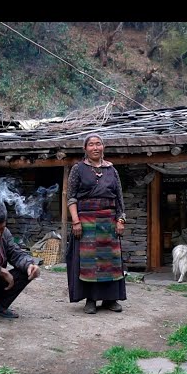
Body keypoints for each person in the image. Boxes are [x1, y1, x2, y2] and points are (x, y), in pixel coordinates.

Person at [66, 133, 127, 314]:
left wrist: (121, 220)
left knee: (110, 262)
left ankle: (110, 300)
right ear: (85, 149)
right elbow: (71, 197)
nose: (95, 147)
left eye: (98, 144)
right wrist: (75, 221)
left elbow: (120, 200)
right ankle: (91, 300)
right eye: (91, 144)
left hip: (108, 222)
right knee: (89, 263)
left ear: (103, 147)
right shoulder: (78, 169)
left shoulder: (112, 171)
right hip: (86, 223)